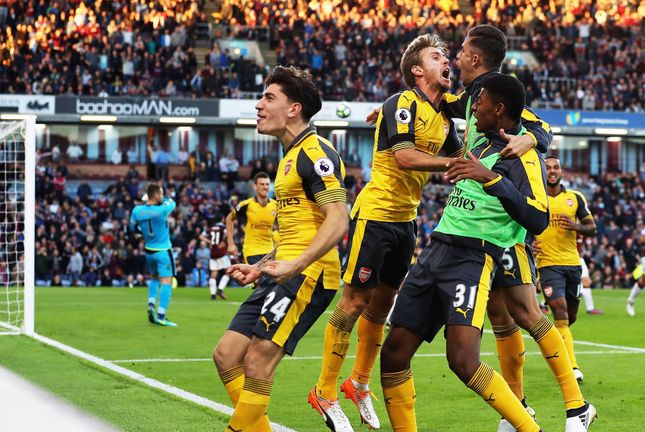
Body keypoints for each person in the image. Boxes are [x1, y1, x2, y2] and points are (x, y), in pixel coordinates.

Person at [381, 75, 582, 432]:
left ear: (499, 109)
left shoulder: (522, 156)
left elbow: (537, 217)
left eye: (481, 102)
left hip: (473, 257)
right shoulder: (481, 139)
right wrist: (392, 113)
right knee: (394, 353)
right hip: (438, 247)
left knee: (465, 358)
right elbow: (442, 104)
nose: (474, 107)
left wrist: (489, 177)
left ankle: (535, 422)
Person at [443, 25, 597, 432]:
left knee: (528, 313)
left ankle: (577, 405)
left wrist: (531, 138)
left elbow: (541, 128)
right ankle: (519, 407)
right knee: (501, 320)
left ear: (476, 58)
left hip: (507, 232)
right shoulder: (471, 99)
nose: (455, 57)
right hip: (481, 229)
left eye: (460, 51)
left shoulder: (497, 95)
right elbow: (445, 106)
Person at [310, 34, 464, 431]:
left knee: (381, 308)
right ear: (417, 69)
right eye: (436, 56)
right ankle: (324, 391)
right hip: (375, 215)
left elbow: (459, 158)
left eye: (447, 55)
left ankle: (358, 383)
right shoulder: (402, 103)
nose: (446, 60)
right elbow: (406, 156)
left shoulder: (445, 116)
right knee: (354, 301)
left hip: (405, 221)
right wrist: (455, 165)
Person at [213, 66, 349, 431]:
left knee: (257, 361)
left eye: (269, 97)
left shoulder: (315, 152)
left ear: (294, 109)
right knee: (226, 356)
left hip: (310, 272)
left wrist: (296, 264)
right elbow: (295, 228)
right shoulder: (288, 156)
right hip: (283, 270)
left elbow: (338, 218)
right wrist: (262, 267)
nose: (258, 105)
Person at [533, 156, 597, 385]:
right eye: (548, 168)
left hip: (572, 264)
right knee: (560, 313)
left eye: (556, 167)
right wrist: (527, 242)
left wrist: (576, 226)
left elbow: (592, 228)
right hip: (548, 265)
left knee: (570, 317)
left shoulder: (575, 198)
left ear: (561, 171)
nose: (552, 171)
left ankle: (555, 345)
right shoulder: (535, 196)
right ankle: (572, 366)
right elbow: (520, 223)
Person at [129, 184, 177, 327]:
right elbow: (172, 202)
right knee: (167, 282)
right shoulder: (162, 210)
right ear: (156, 195)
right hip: (163, 251)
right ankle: (161, 316)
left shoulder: (137, 210)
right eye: (161, 193)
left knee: (155, 279)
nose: (162, 196)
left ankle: (151, 305)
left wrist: (147, 200)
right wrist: (163, 199)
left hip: (149, 251)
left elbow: (132, 229)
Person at [226, 172, 277, 267]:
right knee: (258, 280)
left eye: (267, 184)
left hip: (270, 251)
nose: (265, 187)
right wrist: (230, 243)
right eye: (262, 184)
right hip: (252, 251)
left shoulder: (275, 205)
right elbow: (229, 218)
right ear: (255, 186)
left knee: (272, 281)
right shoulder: (246, 205)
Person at [200, 222, 231, 300]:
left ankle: (213, 295)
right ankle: (220, 290)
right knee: (228, 272)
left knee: (213, 275)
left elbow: (201, 236)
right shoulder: (222, 228)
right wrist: (223, 242)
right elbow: (228, 233)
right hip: (221, 252)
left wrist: (209, 242)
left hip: (213, 253)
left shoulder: (210, 228)